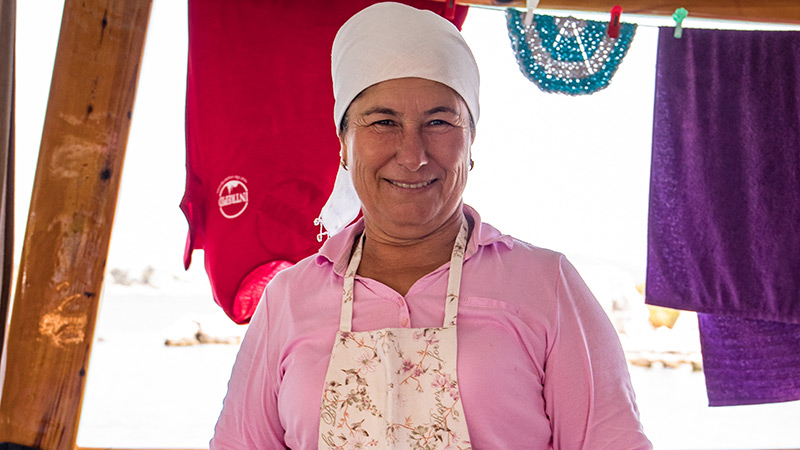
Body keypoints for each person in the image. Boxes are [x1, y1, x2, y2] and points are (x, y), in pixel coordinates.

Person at [210, 3, 652, 449]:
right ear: (344, 144)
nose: (412, 154)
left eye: (439, 122)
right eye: (383, 122)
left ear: (471, 139)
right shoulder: (289, 298)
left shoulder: (545, 285)